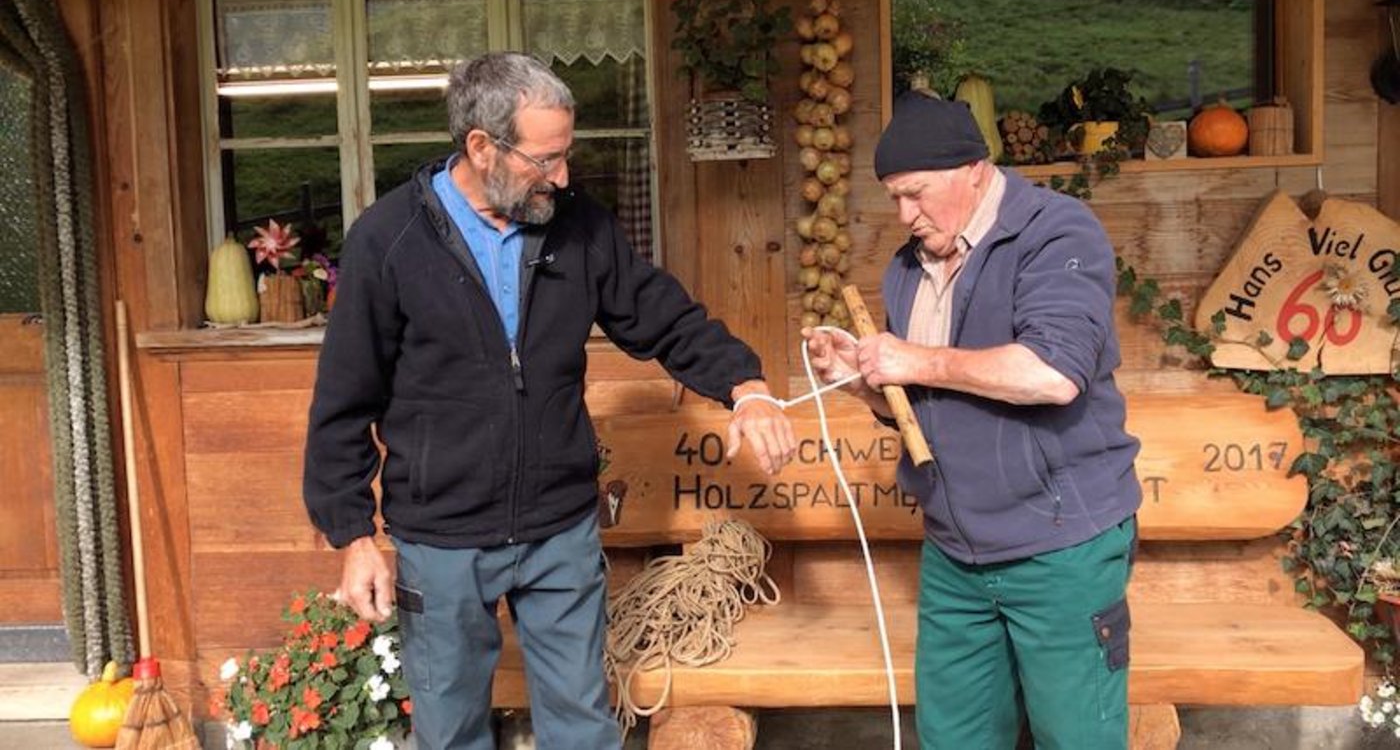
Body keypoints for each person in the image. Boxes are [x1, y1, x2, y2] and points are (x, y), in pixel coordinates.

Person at [302, 51, 795, 750]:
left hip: (558, 526)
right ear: (481, 145)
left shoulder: (578, 225)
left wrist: (746, 387)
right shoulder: (389, 241)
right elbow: (344, 399)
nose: (561, 177)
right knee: (450, 734)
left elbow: (663, 317)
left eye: (566, 156)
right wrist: (354, 536)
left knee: (583, 728)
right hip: (441, 536)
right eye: (545, 159)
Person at [803, 91, 1142, 749]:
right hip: (956, 550)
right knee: (954, 739)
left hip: (1059, 545)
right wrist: (862, 381)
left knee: (1077, 740)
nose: (905, 215)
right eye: (894, 198)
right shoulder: (909, 268)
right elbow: (923, 401)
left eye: (917, 193)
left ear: (975, 170)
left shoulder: (1056, 232)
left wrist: (915, 359)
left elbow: (1054, 374)